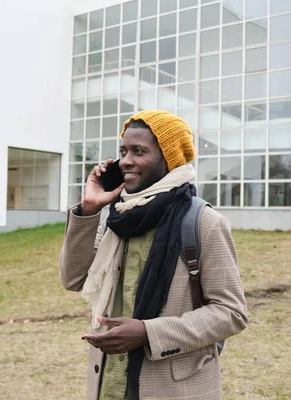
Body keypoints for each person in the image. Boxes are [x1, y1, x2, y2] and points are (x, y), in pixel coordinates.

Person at [59, 110, 248, 400]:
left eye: (139, 151)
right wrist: (89, 209)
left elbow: (231, 313)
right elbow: (73, 279)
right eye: (122, 151)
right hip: (110, 384)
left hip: (173, 388)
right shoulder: (117, 219)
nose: (125, 161)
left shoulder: (205, 223)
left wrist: (148, 332)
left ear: (168, 159)